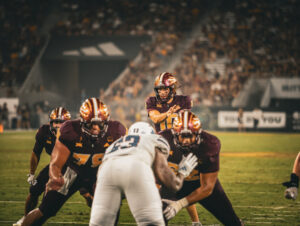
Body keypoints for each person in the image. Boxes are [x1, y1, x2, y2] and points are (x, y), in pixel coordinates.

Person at [21, 98, 126, 226]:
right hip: (72, 172)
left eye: (100, 124)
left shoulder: (116, 131)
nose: (95, 129)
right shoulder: (70, 130)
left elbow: (122, 161)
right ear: (82, 122)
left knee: (111, 210)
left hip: (99, 174)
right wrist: (55, 177)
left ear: (107, 122)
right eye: (90, 124)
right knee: (45, 210)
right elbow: (55, 162)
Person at [89, 122, 198, 226]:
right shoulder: (153, 140)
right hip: (136, 168)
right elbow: (174, 184)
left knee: (100, 223)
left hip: (106, 171)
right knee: (151, 222)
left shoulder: (114, 145)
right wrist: (183, 172)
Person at [160, 110, 243, 226]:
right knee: (156, 218)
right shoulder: (163, 140)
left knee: (233, 223)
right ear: (174, 134)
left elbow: (207, 187)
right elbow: (155, 176)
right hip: (173, 185)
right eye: (182, 136)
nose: (186, 141)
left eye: (190, 136)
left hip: (200, 183)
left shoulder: (209, 144)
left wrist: (179, 204)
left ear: (198, 133)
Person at [146, 72, 199, 224]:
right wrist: (167, 113)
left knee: (184, 186)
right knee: (156, 184)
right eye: (160, 89)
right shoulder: (151, 101)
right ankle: (157, 217)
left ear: (173, 89)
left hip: (179, 145)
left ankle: (196, 222)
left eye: (165, 89)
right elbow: (155, 118)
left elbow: (187, 120)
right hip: (161, 147)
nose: (162, 92)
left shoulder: (184, 100)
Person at [13, 107, 71, 226]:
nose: (58, 126)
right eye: (56, 122)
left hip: (72, 168)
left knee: (48, 203)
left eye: (61, 122)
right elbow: (36, 152)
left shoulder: (72, 135)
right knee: (34, 190)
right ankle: (26, 219)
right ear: (50, 122)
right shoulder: (44, 132)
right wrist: (32, 173)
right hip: (54, 165)